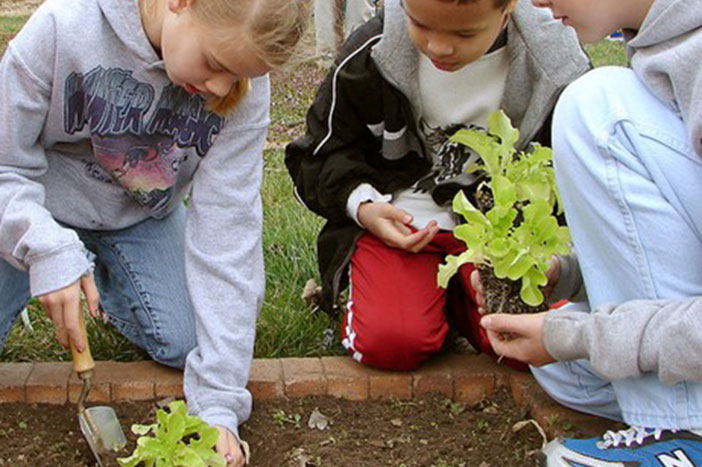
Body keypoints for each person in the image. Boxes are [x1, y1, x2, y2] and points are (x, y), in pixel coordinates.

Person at [0, 0, 311, 465]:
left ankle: (97, 284)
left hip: (139, 219)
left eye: (239, 76)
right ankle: (65, 263)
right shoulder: (62, 28)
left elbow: (228, 233)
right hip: (34, 210)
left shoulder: (244, 81)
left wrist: (219, 402)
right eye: (215, 65)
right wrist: (44, 246)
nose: (221, 88)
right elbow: (4, 166)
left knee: (188, 341)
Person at [286, 0, 590, 371]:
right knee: (391, 343)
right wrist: (363, 207)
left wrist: (542, 250)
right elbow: (318, 153)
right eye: (421, 25)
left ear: (508, 8)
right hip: (404, 225)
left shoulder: (555, 65)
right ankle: (415, 299)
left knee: (529, 350)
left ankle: (455, 302)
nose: (439, 47)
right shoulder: (375, 50)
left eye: (465, 33)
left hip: (500, 235)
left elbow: (576, 177)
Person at [475, 0, 702, 464]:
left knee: (599, 109)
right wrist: (569, 275)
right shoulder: (670, 40)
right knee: (567, 376)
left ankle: (683, 433)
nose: (535, 2)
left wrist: (576, 336)